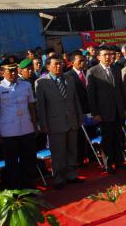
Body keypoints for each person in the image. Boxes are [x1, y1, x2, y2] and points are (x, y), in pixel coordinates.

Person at [36, 55, 83, 189]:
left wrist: (79, 117)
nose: (59, 66)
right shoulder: (41, 83)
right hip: (55, 123)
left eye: (61, 63)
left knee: (72, 149)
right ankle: (58, 178)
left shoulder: (69, 78)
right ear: (48, 66)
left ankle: (71, 174)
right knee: (58, 152)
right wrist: (43, 124)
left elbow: (75, 100)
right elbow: (41, 106)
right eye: (56, 64)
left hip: (72, 120)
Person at [0, 59, 38, 189]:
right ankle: (15, 189)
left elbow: (31, 106)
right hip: (8, 131)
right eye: (9, 71)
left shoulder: (26, 85)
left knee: (28, 159)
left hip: (26, 127)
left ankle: (29, 187)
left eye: (15, 70)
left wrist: (34, 123)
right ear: (2, 72)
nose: (13, 73)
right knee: (12, 163)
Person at [87, 46, 126, 173]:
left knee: (119, 137)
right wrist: (96, 113)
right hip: (104, 112)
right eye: (105, 55)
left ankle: (119, 161)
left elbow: (121, 90)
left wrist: (124, 107)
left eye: (110, 54)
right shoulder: (93, 71)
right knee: (108, 139)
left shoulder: (116, 69)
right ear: (98, 57)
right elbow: (91, 95)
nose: (108, 57)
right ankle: (108, 164)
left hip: (118, 110)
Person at [64, 52, 90, 166]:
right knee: (80, 136)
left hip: (91, 109)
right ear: (72, 62)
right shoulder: (68, 76)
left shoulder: (89, 72)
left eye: (83, 60)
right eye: (79, 61)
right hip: (78, 110)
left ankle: (92, 155)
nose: (82, 63)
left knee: (92, 133)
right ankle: (80, 158)